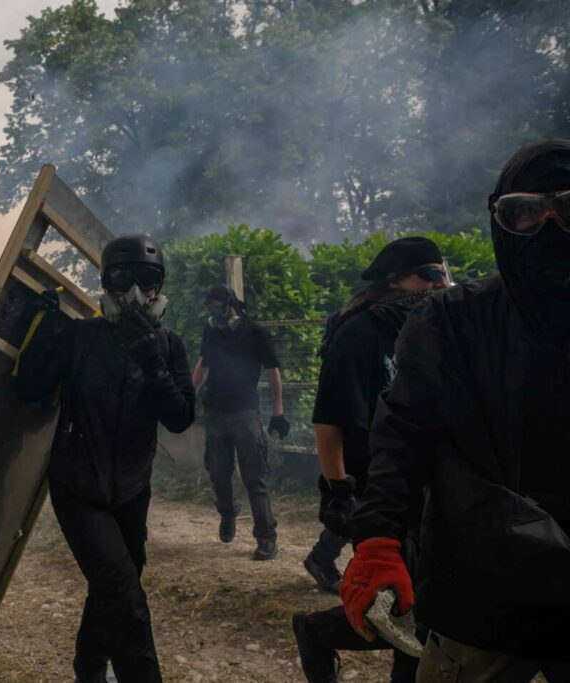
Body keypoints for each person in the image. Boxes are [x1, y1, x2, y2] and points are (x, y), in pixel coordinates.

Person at [340, 140, 570, 681]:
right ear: (499, 220)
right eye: (526, 213)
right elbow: (402, 434)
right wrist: (377, 539)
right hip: (482, 585)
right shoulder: (453, 320)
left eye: (568, 209)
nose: (550, 231)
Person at [16, 234, 195, 683]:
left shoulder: (170, 347)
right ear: (106, 284)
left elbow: (179, 418)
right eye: (121, 279)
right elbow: (28, 391)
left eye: (147, 279)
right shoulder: (80, 338)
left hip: (133, 487)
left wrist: (153, 363)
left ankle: (89, 669)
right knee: (123, 593)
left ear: (159, 287)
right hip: (78, 487)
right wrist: (39, 334)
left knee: (117, 581)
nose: (134, 293)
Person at [292, 237, 449, 682]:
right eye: (430, 275)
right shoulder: (359, 332)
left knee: (421, 608)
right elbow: (330, 420)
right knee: (400, 603)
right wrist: (338, 489)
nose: (442, 284)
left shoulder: (424, 326)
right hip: (377, 486)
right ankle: (317, 630)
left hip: (425, 485)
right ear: (395, 280)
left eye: (444, 274)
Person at [192, 285, 288, 560]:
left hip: (245, 413)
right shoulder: (211, 330)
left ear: (231, 307)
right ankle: (228, 514)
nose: (214, 315)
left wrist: (278, 412)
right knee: (218, 473)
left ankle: (267, 538)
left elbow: (272, 371)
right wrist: (188, 396)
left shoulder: (255, 332)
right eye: (209, 309)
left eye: (218, 308)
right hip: (215, 413)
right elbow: (204, 363)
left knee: (254, 478)